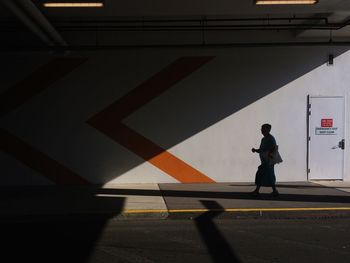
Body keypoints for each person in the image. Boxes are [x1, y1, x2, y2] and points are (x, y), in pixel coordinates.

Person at [251, 123, 279, 197]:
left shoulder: (271, 139)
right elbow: (261, 149)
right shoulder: (263, 139)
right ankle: (274, 190)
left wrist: (269, 155)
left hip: (268, 161)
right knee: (266, 175)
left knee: (261, 174)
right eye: (261, 129)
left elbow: (274, 148)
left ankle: (257, 190)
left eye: (263, 129)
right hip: (264, 161)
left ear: (268, 130)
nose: (261, 130)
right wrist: (255, 150)